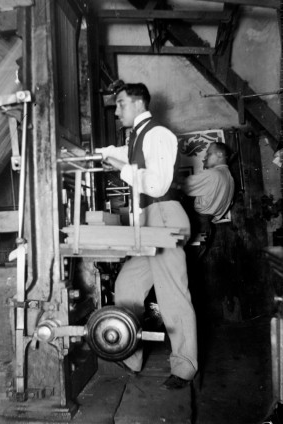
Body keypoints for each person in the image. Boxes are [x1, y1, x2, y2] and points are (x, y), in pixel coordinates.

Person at [96, 82, 197, 390]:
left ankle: (184, 368)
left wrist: (120, 167)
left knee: (172, 295)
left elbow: (155, 184)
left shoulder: (159, 135)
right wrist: (96, 155)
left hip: (164, 216)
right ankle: (129, 354)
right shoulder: (137, 138)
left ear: (139, 104)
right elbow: (119, 154)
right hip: (148, 222)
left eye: (122, 104)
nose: (117, 111)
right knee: (127, 284)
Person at [181, 141, 235, 319]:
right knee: (190, 271)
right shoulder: (229, 177)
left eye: (209, 154)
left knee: (182, 273)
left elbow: (183, 185)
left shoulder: (213, 175)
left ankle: (183, 317)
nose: (205, 157)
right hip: (208, 226)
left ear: (220, 155)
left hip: (198, 223)